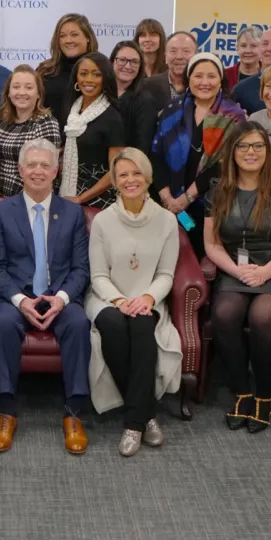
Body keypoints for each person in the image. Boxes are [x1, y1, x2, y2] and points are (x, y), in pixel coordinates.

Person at [202, 122, 271, 433]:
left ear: (267, 150)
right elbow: (212, 244)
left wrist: (266, 272)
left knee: (263, 316)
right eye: (242, 146)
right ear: (232, 151)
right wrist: (236, 270)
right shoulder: (218, 189)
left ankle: (264, 394)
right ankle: (242, 392)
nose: (250, 152)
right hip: (237, 270)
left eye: (257, 145)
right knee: (224, 314)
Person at [0, 138, 92, 454]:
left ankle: (74, 412)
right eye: (31, 165)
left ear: (55, 171)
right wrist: (20, 301)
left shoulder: (72, 213)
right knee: (3, 323)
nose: (38, 171)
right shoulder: (1, 212)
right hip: (15, 297)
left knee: (78, 323)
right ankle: (6, 410)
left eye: (45, 165)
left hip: (59, 294)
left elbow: (81, 268)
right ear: (20, 170)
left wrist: (62, 298)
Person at [87, 148, 181, 457]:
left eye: (136, 173)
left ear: (147, 177)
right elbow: (98, 275)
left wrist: (147, 298)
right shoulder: (102, 221)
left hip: (146, 298)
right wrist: (118, 299)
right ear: (115, 181)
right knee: (113, 325)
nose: (130, 180)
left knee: (142, 328)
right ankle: (147, 413)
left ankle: (133, 423)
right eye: (123, 175)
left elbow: (166, 274)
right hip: (106, 297)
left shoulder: (167, 220)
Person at [152, 52, 247, 257]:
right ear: (189, 78)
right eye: (198, 76)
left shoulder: (233, 116)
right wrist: (168, 199)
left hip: (211, 206)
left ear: (221, 80)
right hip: (167, 204)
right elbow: (156, 154)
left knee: (197, 257)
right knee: (166, 257)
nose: (204, 82)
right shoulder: (172, 109)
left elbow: (225, 164)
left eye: (211, 76)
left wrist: (186, 199)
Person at [59, 52, 126, 208]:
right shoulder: (71, 111)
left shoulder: (112, 117)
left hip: (97, 202)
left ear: (105, 78)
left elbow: (116, 169)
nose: (89, 79)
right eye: (83, 74)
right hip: (66, 195)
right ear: (76, 78)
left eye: (96, 74)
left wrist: (81, 198)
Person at [0, 64, 61, 197]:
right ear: (8, 93)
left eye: (29, 87)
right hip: (1, 200)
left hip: (32, 201)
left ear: (38, 94)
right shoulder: (4, 125)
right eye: (16, 87)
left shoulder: (46, 124)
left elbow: (48, 172)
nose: (22, 92)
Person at [36, 13, 98, 123]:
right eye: (62, 36)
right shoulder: (45, 70)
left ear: (88, 37)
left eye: (74, 35)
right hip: (48, 132)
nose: (68, 40)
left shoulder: (100, 69)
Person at [111, 41, 157, 154]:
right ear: (112, 61)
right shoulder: (100, 94)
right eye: (122, 60)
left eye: (134, 62)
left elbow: (143, 147)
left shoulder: (145, 101)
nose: (128, 66)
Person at [143, 31, 196, 113]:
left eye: (186, 51)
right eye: (173, 51)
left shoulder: (203, 86)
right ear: (166, 57)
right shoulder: (147, 86)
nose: (179, 57)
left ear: (196, 56)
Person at [224, 26, 262, 91]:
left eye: (253, 46)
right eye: (243, 46)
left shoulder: (270, 76)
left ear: (262, 49)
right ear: (237, 48)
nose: (248, 51)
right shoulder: (225, 75)